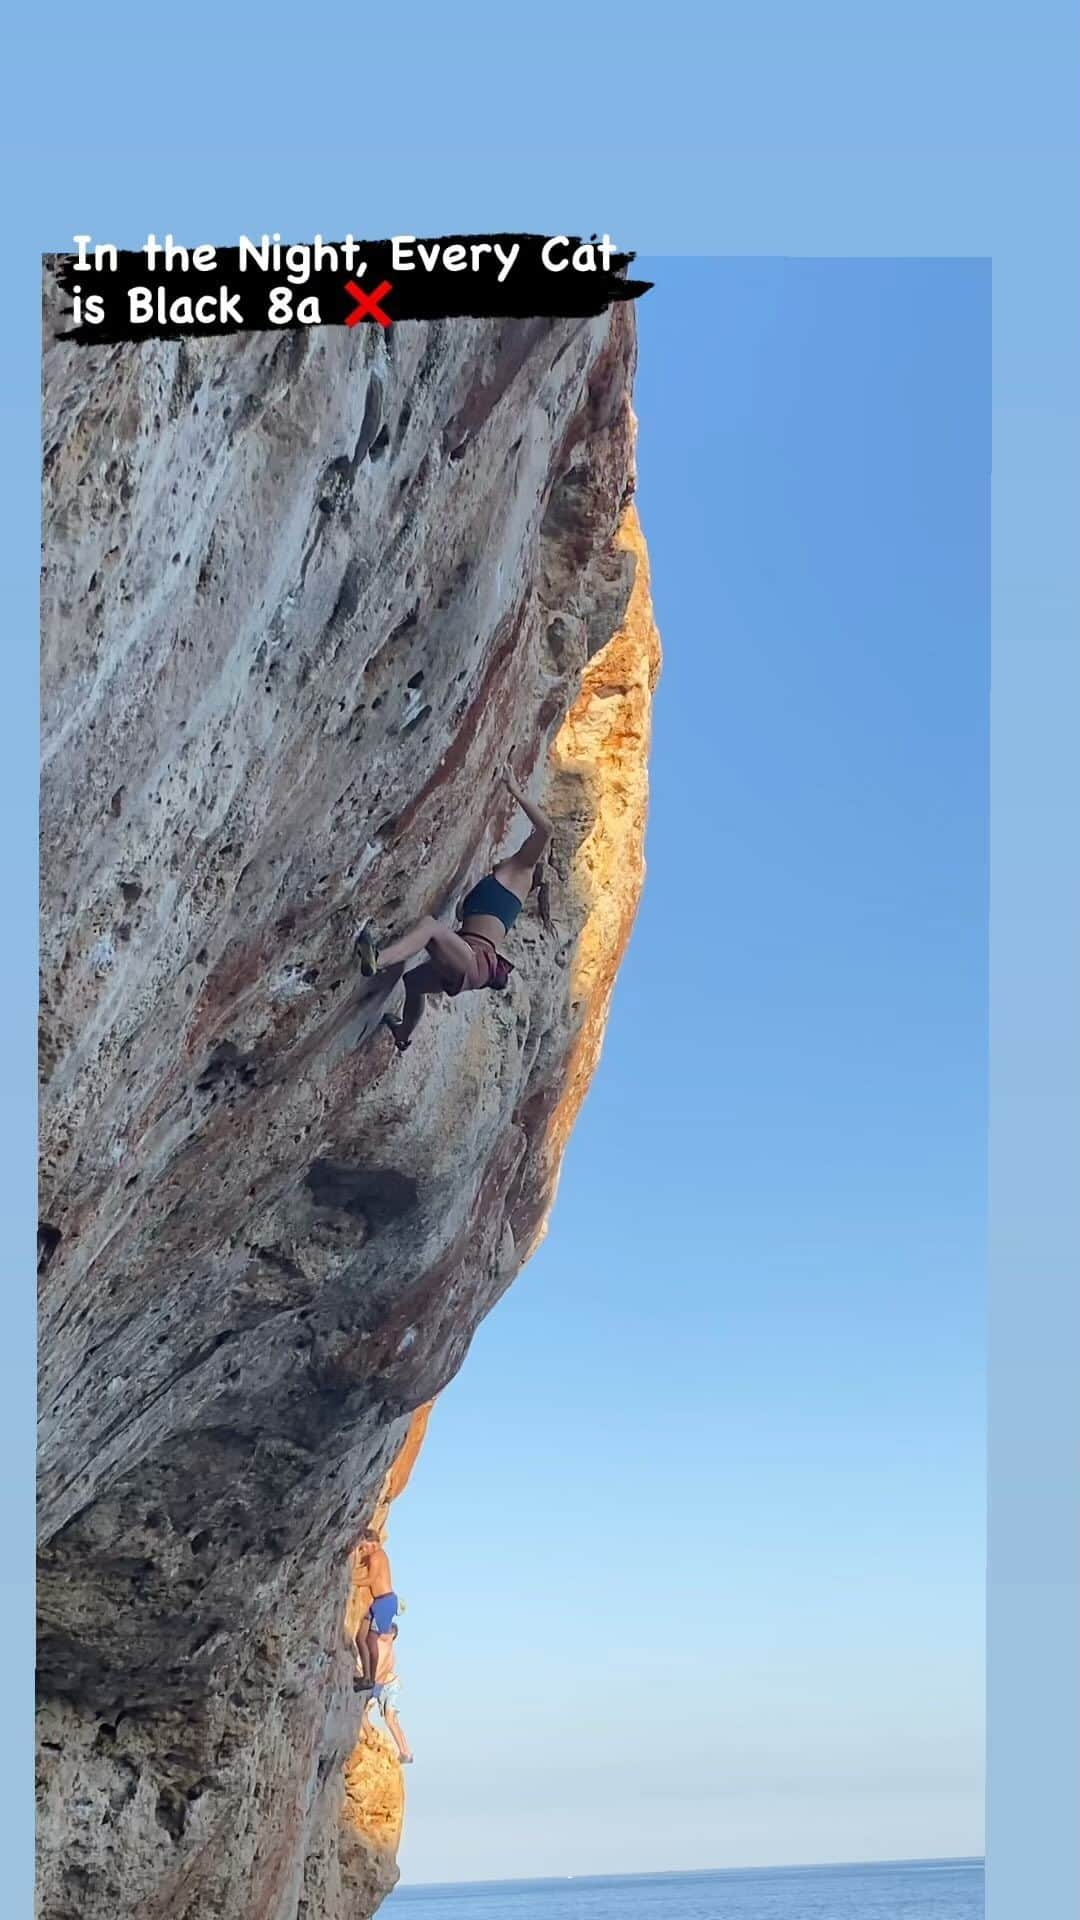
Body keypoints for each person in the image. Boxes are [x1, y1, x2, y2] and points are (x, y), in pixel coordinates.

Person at [353, 761, 554, 1053]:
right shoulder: (502, 884)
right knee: (413, 981)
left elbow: (545, 829)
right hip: (468, 965)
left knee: (430, 927)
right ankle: (403, 1033)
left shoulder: (522, 870)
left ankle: (377, 959)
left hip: (474, 960)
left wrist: (514, 789)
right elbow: (465, 915)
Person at [360, 1624, 414, 1766]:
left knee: (378, 1717)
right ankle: (406, 1752)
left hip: (386, 1685)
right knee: (392, 1720)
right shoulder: (386, 1648)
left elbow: (377, 1673)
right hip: (390, 1684)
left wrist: (371, 1692)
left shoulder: (383, 1647)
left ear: (391, 1636)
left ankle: (371, 1738)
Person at [354, 1528, 399, 1689]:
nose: (363, 1551)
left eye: (363, 1547)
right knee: (360, 1638)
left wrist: (350, 1579)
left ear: (372, 1543)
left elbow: (369, 1579)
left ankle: (370, 1679)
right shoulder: (377, 1555)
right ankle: (366, 1677)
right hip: (377, 1603)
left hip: (385, 1602)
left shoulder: (376, 1556)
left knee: (371, 1639)